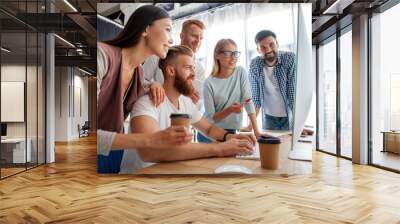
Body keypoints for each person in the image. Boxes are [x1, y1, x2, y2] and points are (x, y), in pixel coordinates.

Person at [97, 5, 193, 173]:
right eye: (168, 29)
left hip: (113, 151)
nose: (171, 40)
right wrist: (152, 139)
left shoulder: (139, 74)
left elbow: (143, 83)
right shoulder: (101, 56)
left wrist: (153, 83)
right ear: (145, 29)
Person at [130, 45, 255, 165]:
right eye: (188, 68)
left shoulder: (185, 102)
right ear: (171, 71)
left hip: (170, 177)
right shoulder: (146, 103)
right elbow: (149, 152)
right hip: (139, 180)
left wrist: (230, 136)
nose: (194, 74)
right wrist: (219, 148)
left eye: (193, 68)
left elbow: (208, 129)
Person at [199, 39, 264, 143]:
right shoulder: (208, 83)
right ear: (217, 55)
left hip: (232, 131)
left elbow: (248, 101)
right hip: (210, 133)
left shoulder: (240, 72)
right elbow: (211, 118)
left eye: (235, 53)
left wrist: (256, 131)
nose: (233, 57)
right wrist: (230, 110)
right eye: (227, 53)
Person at [142, 19, 206, 107]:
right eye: (194, 36)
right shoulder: (158, 55)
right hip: (156, 108)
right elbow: (140, 80)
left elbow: (198, 104)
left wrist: (192, 101)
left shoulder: (200, 69)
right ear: (182, 36)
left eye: (201, 38)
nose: (198, 41)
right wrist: (152, 84)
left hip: (180, 115)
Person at [246, 30, 295, 131]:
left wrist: (299, 123)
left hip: (289, 116)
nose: (268, 50)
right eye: (263, 47)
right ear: (258, 50)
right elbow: (255, 98)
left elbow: (292, 93)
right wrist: (250, 126)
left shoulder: (289, 58)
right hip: (269, 118)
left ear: (277, 44)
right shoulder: (255, 64)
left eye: (271, 44)